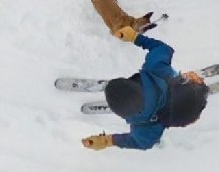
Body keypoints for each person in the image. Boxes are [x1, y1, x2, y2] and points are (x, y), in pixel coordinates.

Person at [81, 27, 209, 151]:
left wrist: (107, 141)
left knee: (157, 129)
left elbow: (140, 143)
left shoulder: (145, 128)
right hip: (187, 109)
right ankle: (192, 82)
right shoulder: (156, 69)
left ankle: (191, 86)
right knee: (172, 79)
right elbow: (163, 49)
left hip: (186, 115)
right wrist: (135, 37)